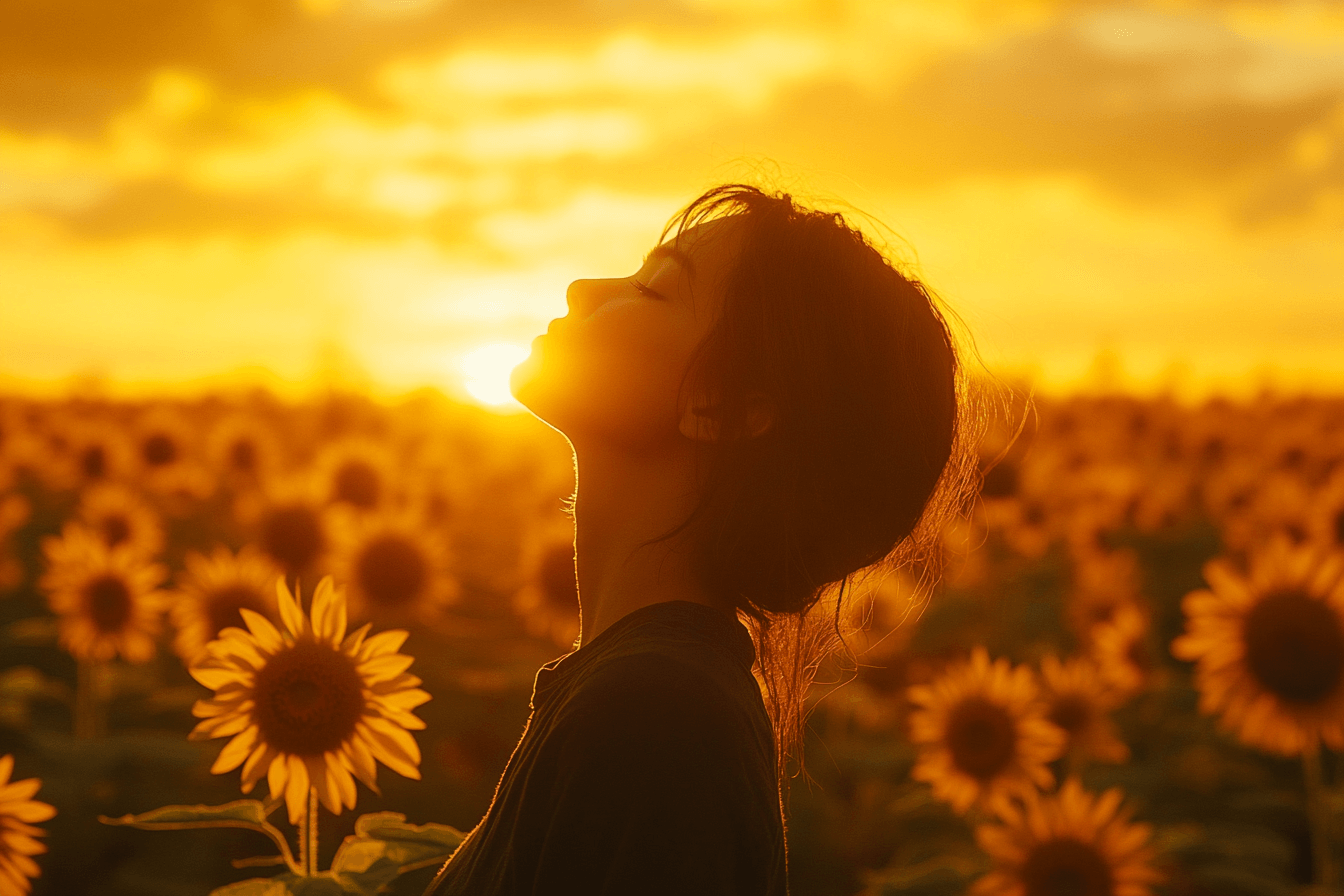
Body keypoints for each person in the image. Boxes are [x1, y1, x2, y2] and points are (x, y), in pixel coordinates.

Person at [423, 183, 977, 896]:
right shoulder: (642, 693)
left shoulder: (657, 717)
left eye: (654, 290)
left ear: (720, 407)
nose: (583, 288)